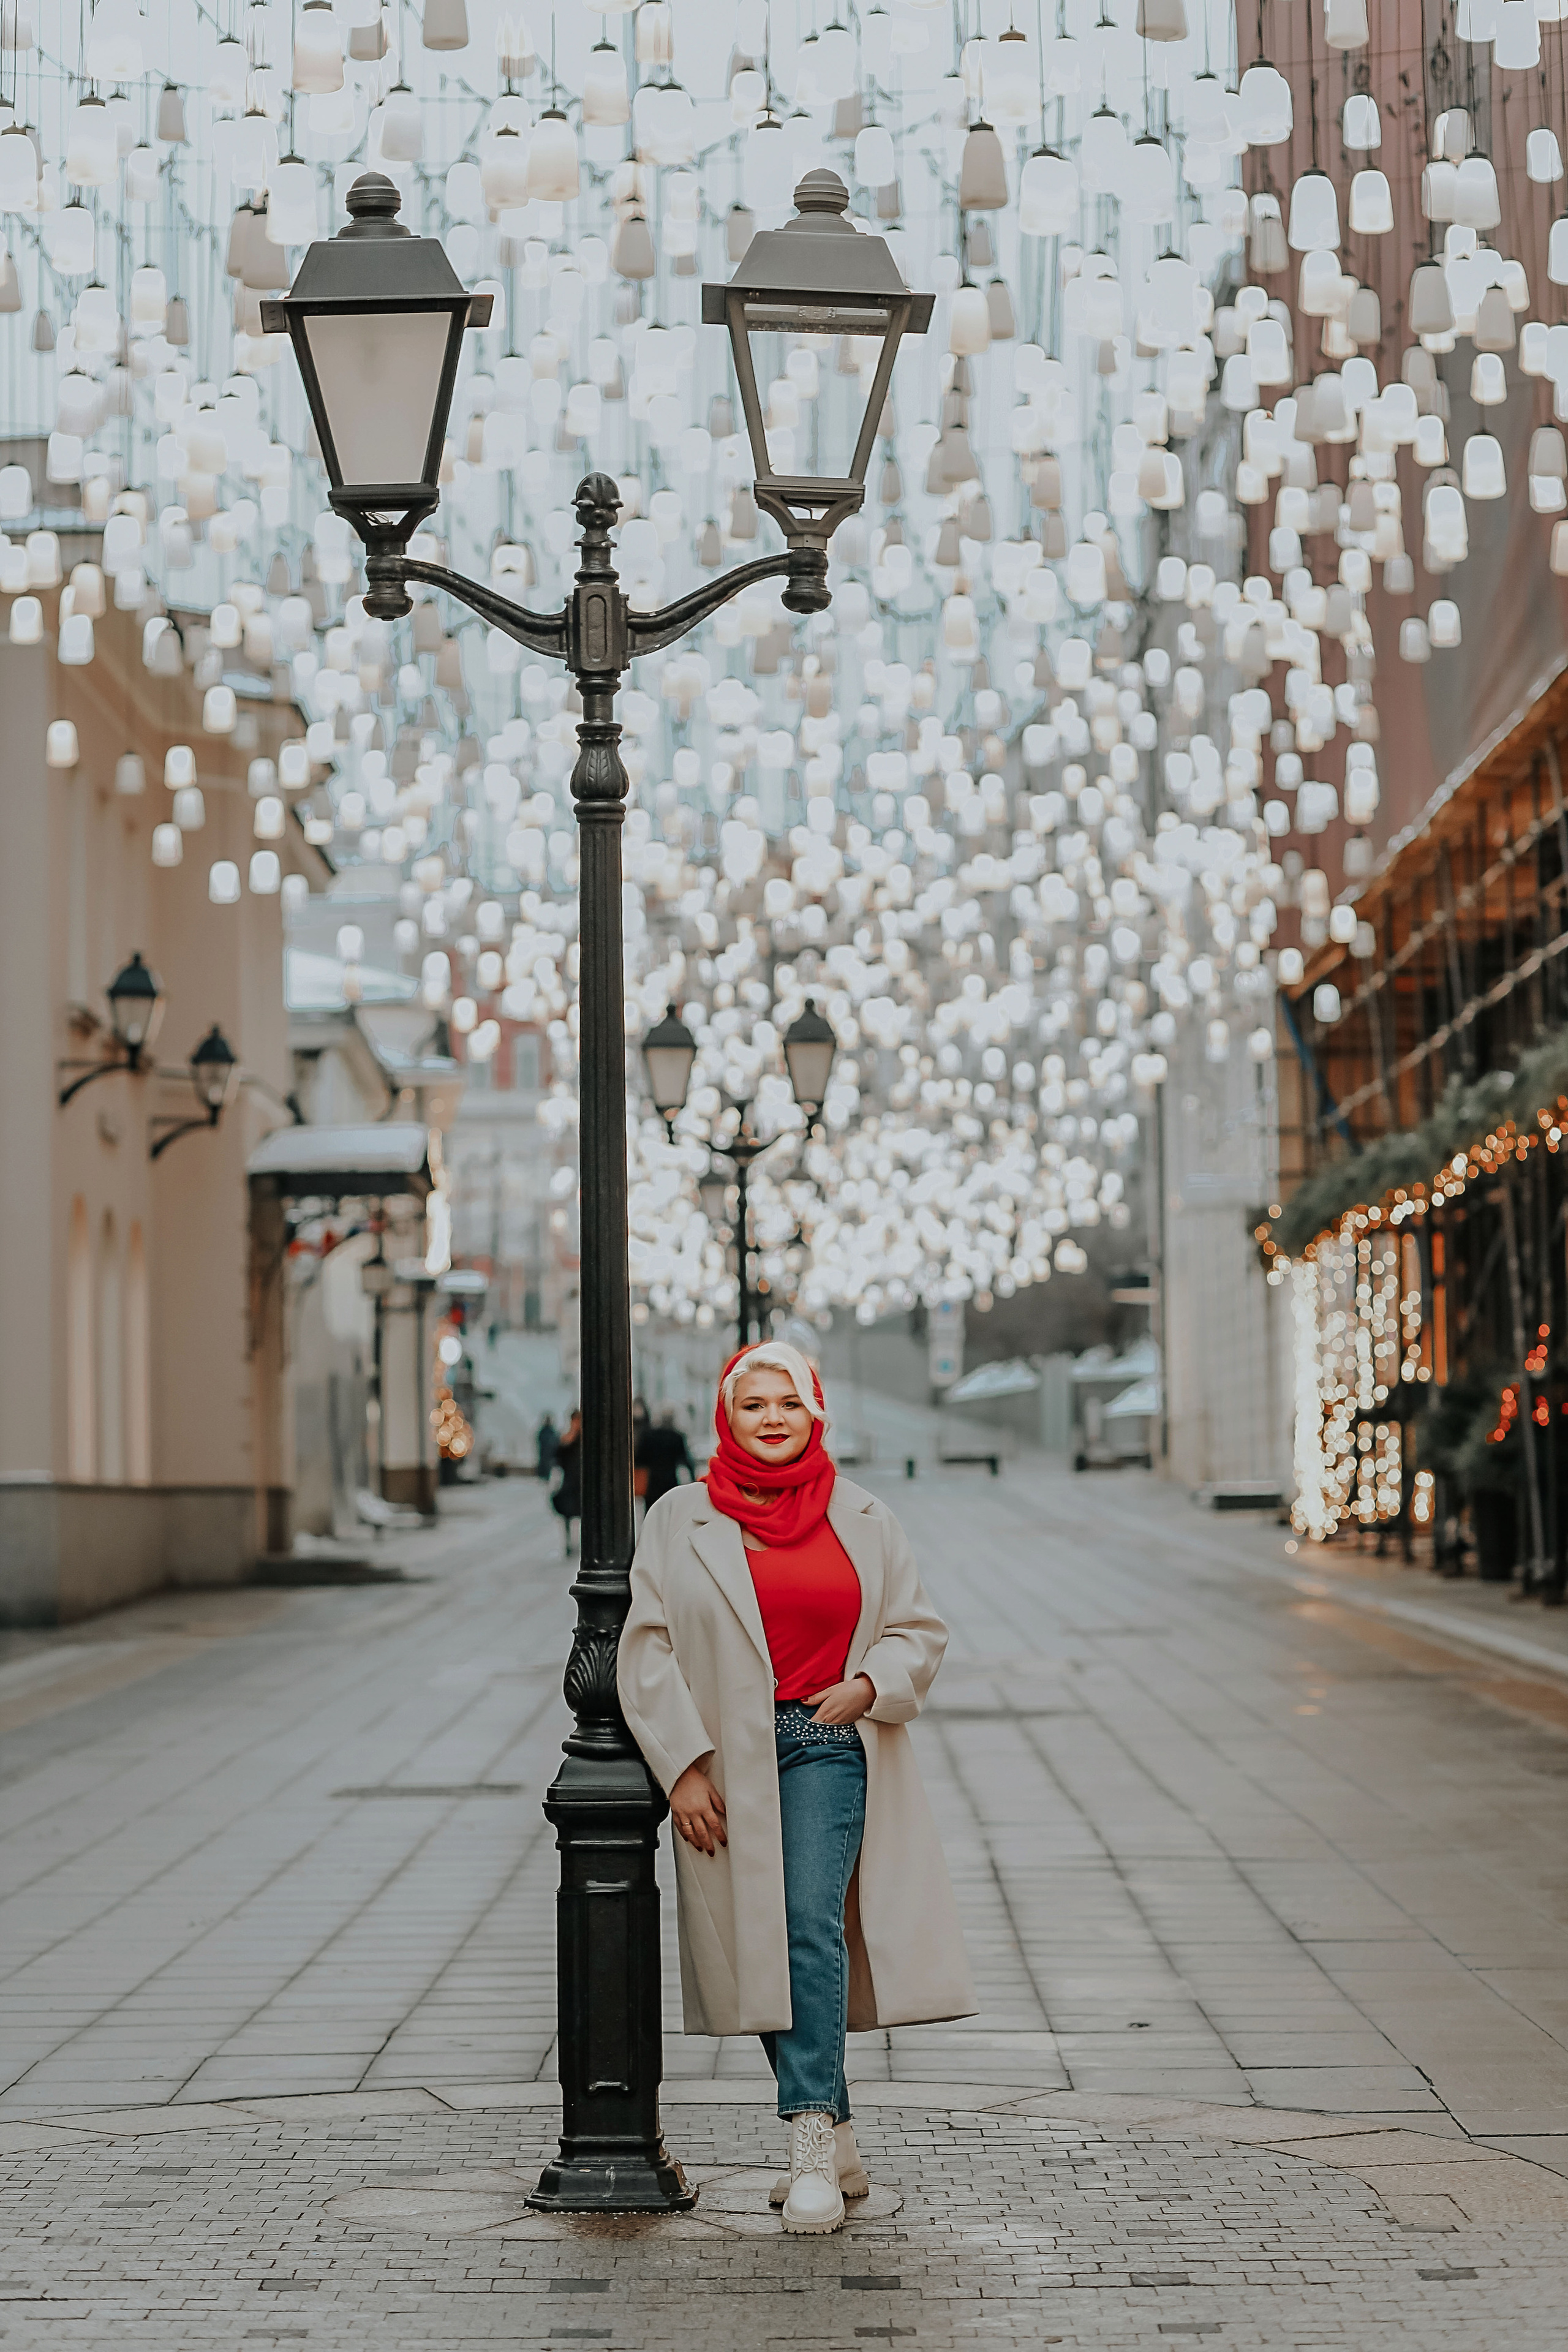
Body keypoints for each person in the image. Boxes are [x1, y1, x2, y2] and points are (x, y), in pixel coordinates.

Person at [618, 1341, 973, 2236]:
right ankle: (841, 2131)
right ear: (725, 1420)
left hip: (821, 1742)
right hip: (722, 1760)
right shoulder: (680, 1517)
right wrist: (684, 1767)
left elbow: (918, 1629)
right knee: (759, 1938)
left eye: (788, 1403)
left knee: (807, 1924)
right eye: (753, 1406)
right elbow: (645, 1647)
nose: (772, 1418)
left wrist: (867, 1687)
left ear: (816, 1413)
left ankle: (808, 2140)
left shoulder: (863, 1517)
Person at [635, 1407, 695, 1509]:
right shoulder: (677, 1437)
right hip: (670, 1481)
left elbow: (639, 1459)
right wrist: (693, 1479)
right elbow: (685, 1460)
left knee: (651, 1511)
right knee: (670, 1512)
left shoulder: (649, 1436)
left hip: (652, 1482)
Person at [551, 1408, 581, 1555]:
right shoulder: (568, 1438)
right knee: (567, 1513)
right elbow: (558, 1457)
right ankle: (569, 1542)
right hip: (570, 1480)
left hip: (582, 1481)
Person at [535, 1412, 559, 1482]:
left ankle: (545, 1477)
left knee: (547, 1466)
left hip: (549, 1454)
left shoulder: (550, 1431)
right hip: (544, 1453)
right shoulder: (544, 1431)